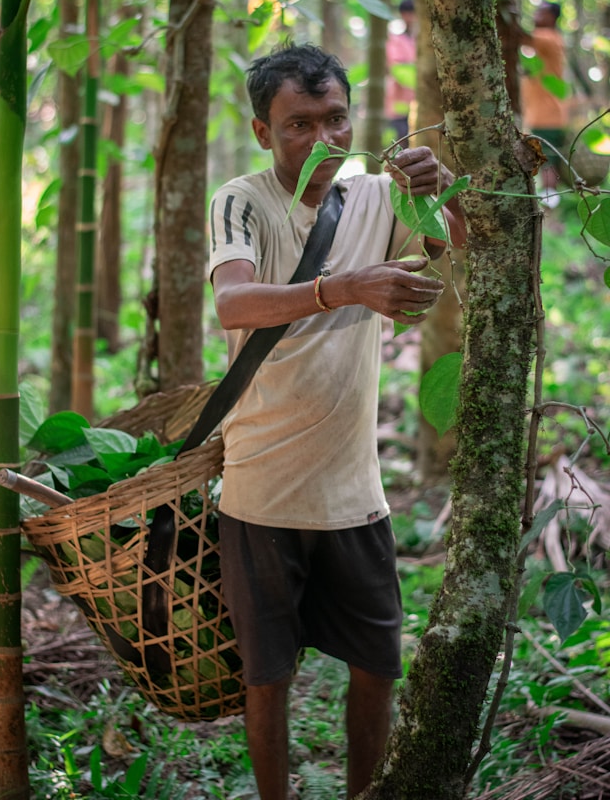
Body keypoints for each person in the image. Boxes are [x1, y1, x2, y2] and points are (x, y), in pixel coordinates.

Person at [208, 42, 466, 800]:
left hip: (355, 491)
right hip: (260, 492)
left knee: (377, 669)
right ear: (263, 132)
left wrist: (439, 191)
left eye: (336, 120)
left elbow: (461, 243)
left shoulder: (379, 199)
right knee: (268, 678)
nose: (322, 140)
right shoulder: (242, 200)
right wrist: (341, 287)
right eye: (299, 125)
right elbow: (235, 303)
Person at [520, 0, 569, 198]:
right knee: (547, 164)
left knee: (547, 164)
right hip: (543, 114)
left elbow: (519, 36)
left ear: (552, 17)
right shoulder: (549, 38)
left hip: (547, 115)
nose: (536, 15)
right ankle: (551, 208)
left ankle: (550, 209)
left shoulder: (548, 37)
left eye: (542, 12)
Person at [385, 0, 417, 145]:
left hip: (417, 103)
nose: (410, 18)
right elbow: (396, 68)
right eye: (407, 13)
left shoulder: (419, 40)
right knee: (401, 141)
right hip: (399, 102)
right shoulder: (395, 40)